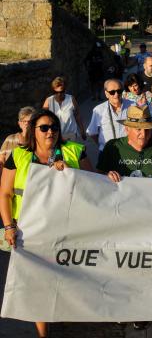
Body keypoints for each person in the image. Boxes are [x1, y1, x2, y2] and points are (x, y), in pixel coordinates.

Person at [0, 109, 92, 338]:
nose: (50, 131)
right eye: (44, 127)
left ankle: (65, 317)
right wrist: (9, 226)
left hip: (66, 228)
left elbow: (94, 187)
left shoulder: (74, 151)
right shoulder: (18, 156)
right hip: (28, 230)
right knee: (36, 282)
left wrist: (71, 173)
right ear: (34, 131)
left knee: (67, 278)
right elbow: (5, 194)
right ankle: (44, 333)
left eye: (54, 127)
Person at [98, 104, 152, 187]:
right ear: (127, 129)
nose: (143, 134)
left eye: (147, 130)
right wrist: (107, 175)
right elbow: (98, 177)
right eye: (138, 129)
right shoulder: (113, 147)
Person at [86, 79, 134, 153]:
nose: (116, 94)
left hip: (129, 151)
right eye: (112, 92)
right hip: (107, 152)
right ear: (106, 94)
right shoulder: (99, 110)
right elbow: (92, 132)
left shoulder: (133, 106)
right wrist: (102, 145)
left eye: (119, 91)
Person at [43, 76, 86, 142]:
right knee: (57, 152)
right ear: (53, 90)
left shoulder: (71, 99)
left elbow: (77, 116)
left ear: (65, 90)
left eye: (61, 92)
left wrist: (82, 131)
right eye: (56, 92)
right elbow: (43, 119)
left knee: (70, 152)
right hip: (55, 135)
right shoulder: (48, 101)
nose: (59, 94)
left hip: (70, 134)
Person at [0, 106, 36, 171]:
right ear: (19, 123)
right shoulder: (10, 139)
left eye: (29, 121)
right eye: (23, 121)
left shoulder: (37, 140)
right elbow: (1, 161)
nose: (26, 124)